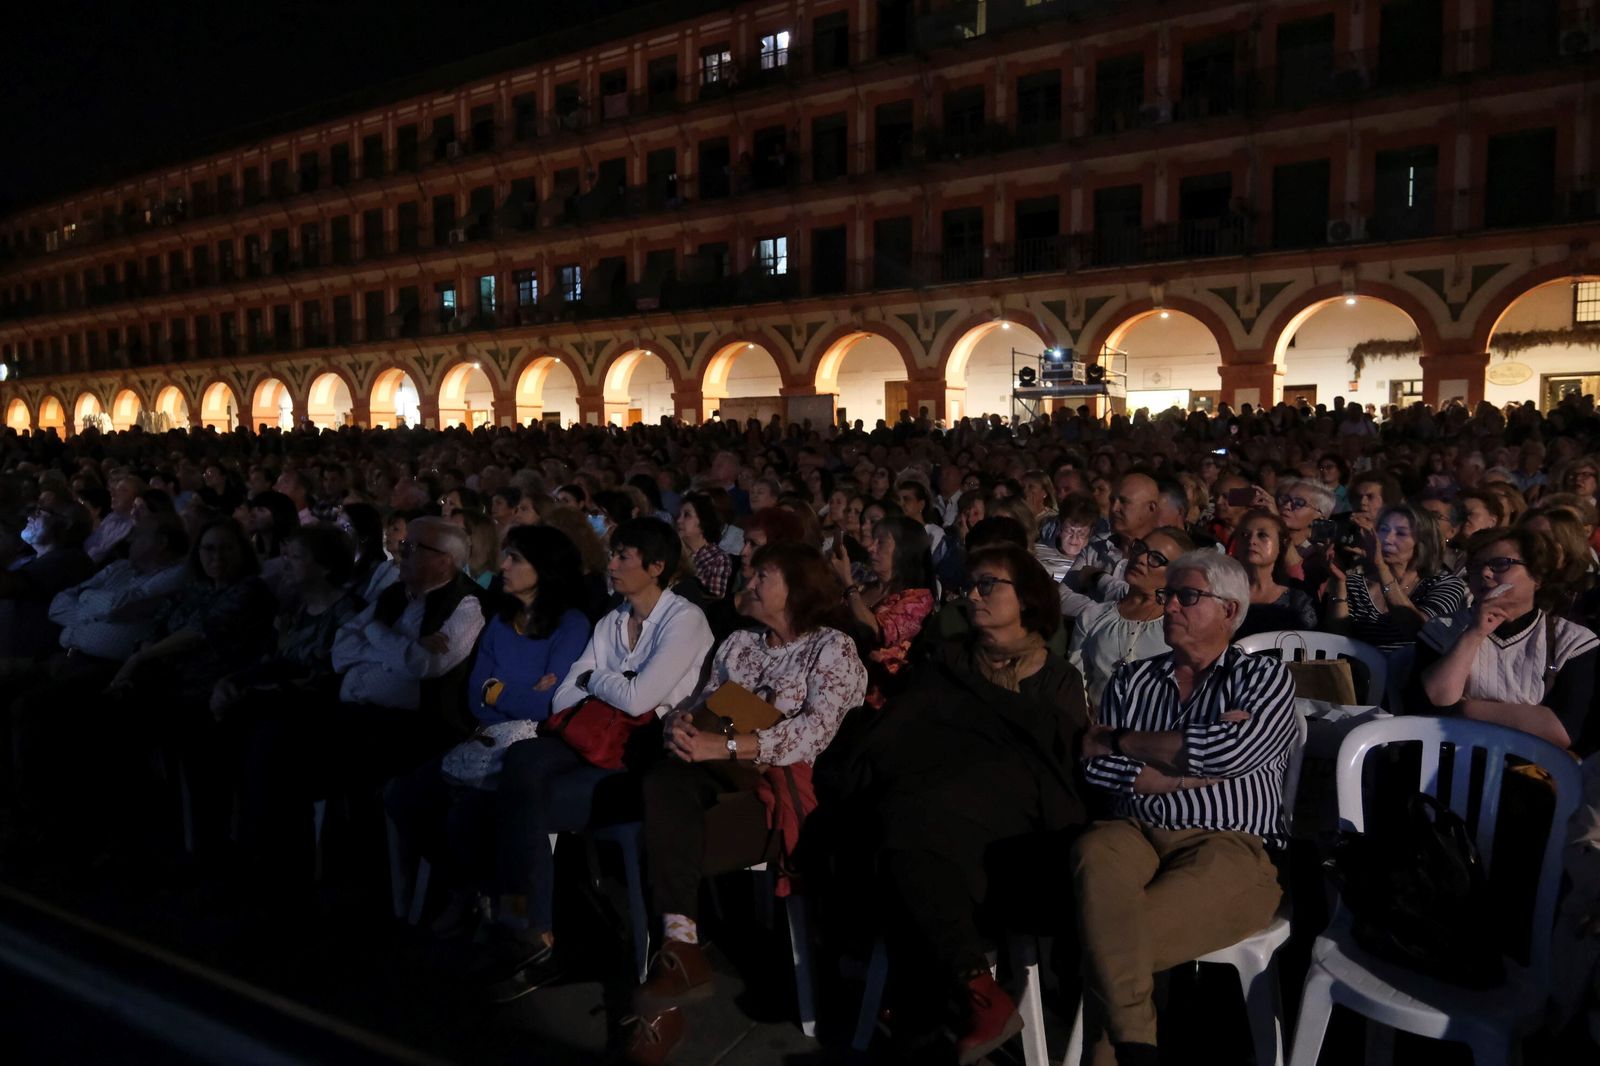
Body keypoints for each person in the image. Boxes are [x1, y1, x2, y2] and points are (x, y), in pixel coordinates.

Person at [625, 543, 866, 1059]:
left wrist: (726, 743)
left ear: (798, 589)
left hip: (780, 795)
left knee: (667, 841)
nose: (749, 580)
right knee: (664, 785)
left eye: (764, 575)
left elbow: (815, 735)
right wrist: (681, 725)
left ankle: (664, 1002)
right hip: (716, 775)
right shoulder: (739, 644)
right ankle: (681, 948)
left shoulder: (832, 649)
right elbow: (702, 704)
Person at [1074, 552, 1298, 1066]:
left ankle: (1124, 1051)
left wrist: (1126, 741)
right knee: (1093, 848)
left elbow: (1235, 752)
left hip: (1229, 842)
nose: (1169, 604)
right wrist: (1190, 761)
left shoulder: (1261, 677)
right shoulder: (1134, 679)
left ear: (1230, 610)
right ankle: (1139, 1048)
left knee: (1110, 942)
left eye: (1187, 596)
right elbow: (1095, 765)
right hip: (1133, 828)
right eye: (1167, 595)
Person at [869, 545, 1089, 1063]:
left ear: (1028, 598)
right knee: (912, 820)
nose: (973, 595)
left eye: (989, 585)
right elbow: (910, 735)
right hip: (937, 816)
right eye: (970, 586)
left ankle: (939, 1003)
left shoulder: (1057, 679)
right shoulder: (947, 661)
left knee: (911, 830)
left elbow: (1054, 774)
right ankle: (974, 985)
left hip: (1012, 838)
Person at [486, 518, 713, 999]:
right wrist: (604, 683)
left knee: (526, 803)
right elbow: (564, 695)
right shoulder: (611, 620)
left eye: (623, 557)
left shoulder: (684, 619)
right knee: (521, 764)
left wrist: (597, 681)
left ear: (656, 567)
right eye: (612, 554)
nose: (610, 564)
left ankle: (531, 925)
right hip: (592, 739)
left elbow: (639, 701)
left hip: (645, 751)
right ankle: (532, 925)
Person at [385, 526, 592, 922]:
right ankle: (470, 887)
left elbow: (546, 704)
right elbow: (476, 697)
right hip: (487, 739)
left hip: (532, 747)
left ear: (544, 569)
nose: (502, 566)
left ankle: (500, 911)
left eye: (515, 558)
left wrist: (498, 690)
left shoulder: (571, 624)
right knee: (402, 796)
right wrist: (507, 693)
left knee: (467, 815)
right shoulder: (500, 621)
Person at [1413, 527, 1598, 754]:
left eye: (1500, 564)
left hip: (1529, 768)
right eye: (1476, 566)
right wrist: (1474, 633)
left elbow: (1563, 730)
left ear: (1537, 576)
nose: (1485, 573)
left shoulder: (1571, 641)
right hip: (1447, 759)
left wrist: (1464, 708)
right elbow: (1435, 703)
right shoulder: (1442, 628)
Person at [1069, 528, 1193, 706]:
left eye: (1156, 559)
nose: (1141, 559)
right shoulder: (1093, 616)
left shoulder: (1181, 624)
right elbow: (1077, 683)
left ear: (1177, 574)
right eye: (1140, 548)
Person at [1324, 503, 1468, 652]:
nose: (1387, 539)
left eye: (1401, 533)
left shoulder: (1444, 583)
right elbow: (1339, 641)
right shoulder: (1355, 583)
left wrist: (1381, 567)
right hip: (1362, 670)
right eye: (1384, 530)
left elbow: (1419, 632)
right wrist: (1339, 582)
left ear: (1422, 542)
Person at [832, 514, 935, 708]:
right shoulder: (864, 587)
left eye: (882, 543)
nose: (871, 548)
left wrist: (848, 583)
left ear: (904, 550)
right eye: (873, 541)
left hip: (876, 696)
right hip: (837, 680)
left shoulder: (918, 598)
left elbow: (879, 632)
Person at [1231, 509, 1319, 639]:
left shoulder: (1298, 596)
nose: (1251, 541)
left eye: (1262, 535)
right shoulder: (1222, 591)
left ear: (1281, 545)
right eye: (1244, 534)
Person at [676, 491, 730, 599]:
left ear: (703, 521)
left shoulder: (717, 558)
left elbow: (714, 600)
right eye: (679, 515)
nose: (678, 520)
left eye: (687, 515)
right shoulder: (674, 552)